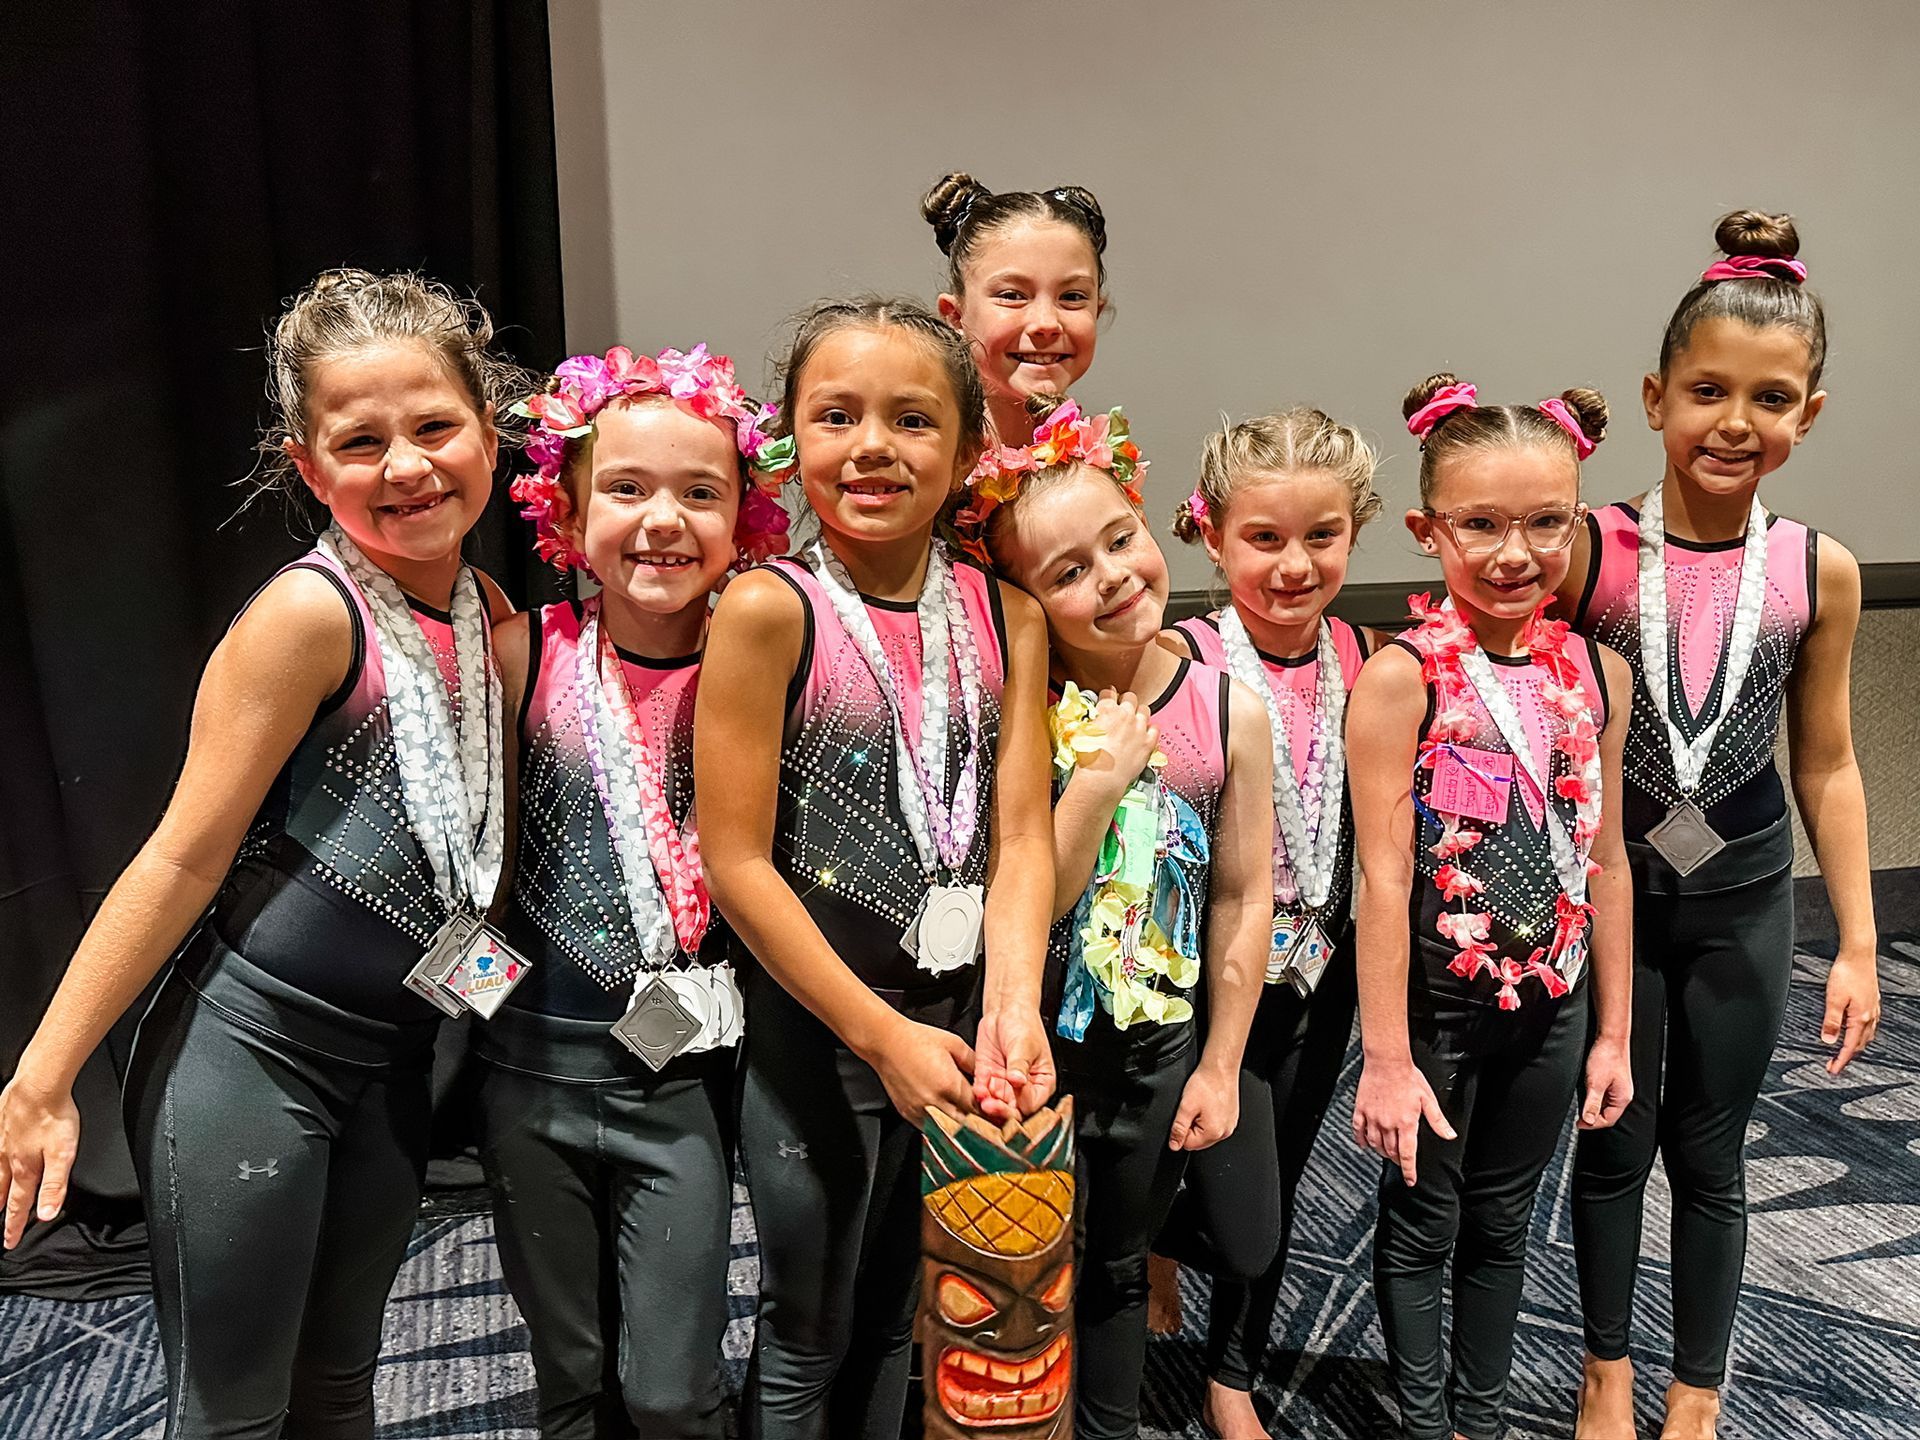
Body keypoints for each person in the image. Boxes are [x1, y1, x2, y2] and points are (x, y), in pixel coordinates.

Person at [0, 269, 528, 1438]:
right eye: (361, 441)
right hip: (250, 1062)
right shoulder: (309, 617)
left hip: (392, 1064)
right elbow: (181, 861)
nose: (407, 466)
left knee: (341, 1386)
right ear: (306, 465)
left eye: (436, 426)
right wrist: (42, 1078)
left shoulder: (489, 615)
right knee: (233, 1411)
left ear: (489, 431)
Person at [694, 298, 1057, 1440]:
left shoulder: (1011, 615)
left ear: (963, 450)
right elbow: (737, 860)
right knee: (808, 1321)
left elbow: (1024, 837)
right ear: (791, 440)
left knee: (913, 1305)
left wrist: (1011, 1003)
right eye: (836, 416)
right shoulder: (767, 609)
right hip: (825, 1030)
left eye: (911, 419)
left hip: (961, 1013)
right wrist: (878, 1036)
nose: (872, 447)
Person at [1562, 211, 1881, 1440]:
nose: (1734, 422)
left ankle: (1697, 1389)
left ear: (1810, 414)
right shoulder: (1592, 551)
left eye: (1771, 397)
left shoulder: (1820, 568)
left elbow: (1833, 761)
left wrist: (1856, 943)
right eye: (1706, 390)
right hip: (1613, 901)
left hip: (1745, 897)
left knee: (1711, 1153)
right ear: (1654, 398)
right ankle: (1604, 1369)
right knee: (1611, 1137)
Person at [476, 343, 787, 1437]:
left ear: (746, 515)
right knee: (570, 1372)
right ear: (564, 508)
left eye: (700, 493)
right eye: (626, 487)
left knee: (667, 1388)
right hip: (531, 1079)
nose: (663, 520)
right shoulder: (520, 656)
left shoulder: (765, 665)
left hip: (682, 1088)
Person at [962, 396, 1273, 1439]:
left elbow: (1241, 897)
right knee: (1019, 1267)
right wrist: (1090, 789)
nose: (1112, 577)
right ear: (1022, 601)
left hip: (1157, 1046)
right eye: (1066, 572)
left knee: (1114, 1265)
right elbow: (1031, 889)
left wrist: (1222, 1062)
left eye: (1121, 540)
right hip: (1030, 1045)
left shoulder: (1230, 708)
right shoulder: (1013, 705)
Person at [1349, 376, 1635, 1440]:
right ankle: (1427, 1424)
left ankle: (1481, 1413)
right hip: (1438, 998)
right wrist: (1386, 1055)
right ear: (1430, 531)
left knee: (1507, 1219)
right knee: (1426, 1215)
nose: (1515, 552)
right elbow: (1382, 877)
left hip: (1556, 996)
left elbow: (1604, 860)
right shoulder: (1402, 675)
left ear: (1578, 519)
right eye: (1481, 524)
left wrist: (1611, 1032)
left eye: (1544, 522)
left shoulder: (1597, 672)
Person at [1155, 408, 1387, 1439]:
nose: (1294, 565)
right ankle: (1151, 1264)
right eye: (1264, 539)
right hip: (1188, 971)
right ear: (1210, 533)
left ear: (1357, 530)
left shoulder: (1375, 659)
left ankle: (1232, 1372)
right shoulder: (1176, 657)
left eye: (1322, 537)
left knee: (1280, 1174)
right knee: (1171, 1161)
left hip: (1318, 963)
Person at [923, 172, 1110, 445]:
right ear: (955, 315)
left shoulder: (1100, 471)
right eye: (1012, 295)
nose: (1046, 323)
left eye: (1071, 296)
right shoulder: (922, 466)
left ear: (1096, 311)